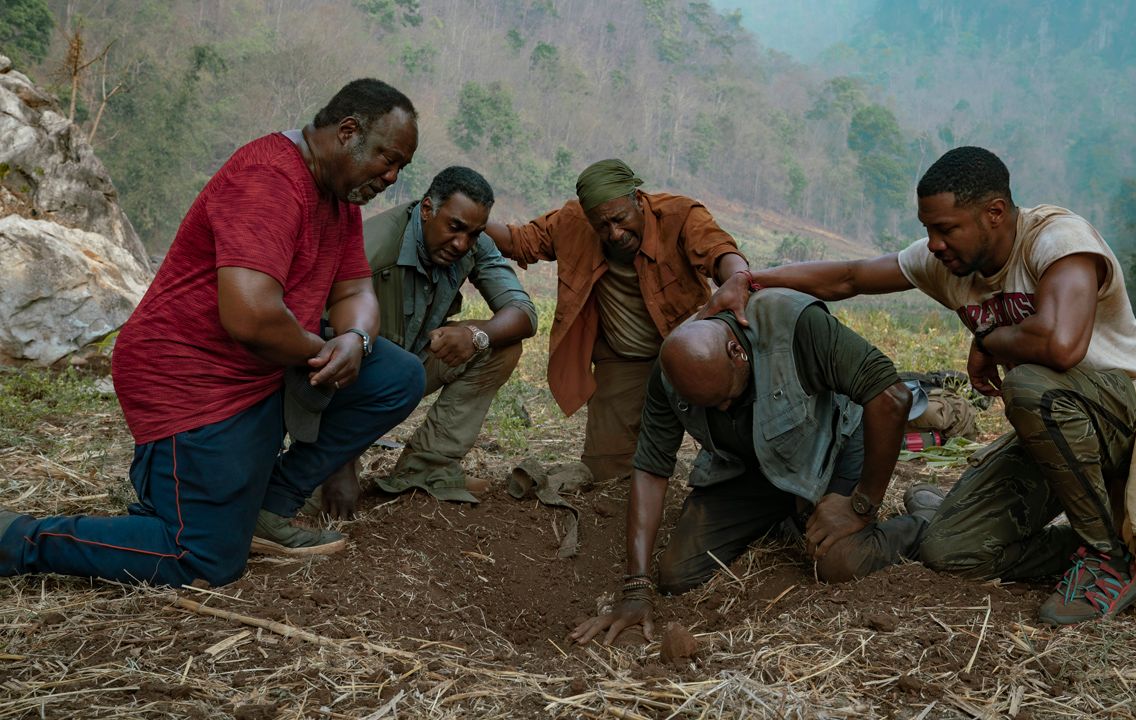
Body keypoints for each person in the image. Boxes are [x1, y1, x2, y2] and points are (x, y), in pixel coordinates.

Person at [701, 146, 1136, 625]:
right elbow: (850, 278)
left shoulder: (1058, 240)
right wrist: (751, 280)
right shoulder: (948, 263)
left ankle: (1108, 559)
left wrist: (989, 339)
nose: (934, 243)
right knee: (950, 551)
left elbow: (1062, 346)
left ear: (994, 213)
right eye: (928, 230)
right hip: (1055, 432)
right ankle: (1101, 546)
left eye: (946, 229)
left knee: (1030, 388)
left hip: (1132, 414)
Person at [0, 79, 426, 587]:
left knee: (397, 376)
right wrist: (320, 352)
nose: (392, 177)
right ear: (348, 132)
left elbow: (355, 290)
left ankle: (269, 506)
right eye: (387, 159)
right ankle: (17, 538)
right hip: (191, 376)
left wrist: (354, 340)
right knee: (202, 557)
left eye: (401, 167)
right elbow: (250, 317)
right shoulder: (270, 179)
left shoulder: (340, 198)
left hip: (265, 368)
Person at [570, 289, 944, 645]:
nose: (723, 410)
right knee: (678, 574)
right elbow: (652, 468)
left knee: (838, 562)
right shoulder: (671, 371)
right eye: (709, 407)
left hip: (834, 448)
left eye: (726, 398)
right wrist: (636, 589)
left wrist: (860, 505)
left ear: (736, 351)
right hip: (752, 466)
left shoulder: (795, 325)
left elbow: (892, 397)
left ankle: (924, 523)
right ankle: (791, 513)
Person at [486, 159, 749, 482]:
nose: (615, 233)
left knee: (733, 452)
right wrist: (473, 219)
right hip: (624, 359)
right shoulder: (573, 222)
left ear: (637, 199)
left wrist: (738, 278)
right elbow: (519, 241)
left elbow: (719, 251)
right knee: (605, 471)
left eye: (620, 219)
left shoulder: (679, 215)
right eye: (602, 226)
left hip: (690, 353)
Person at [313, 166, 537, 517]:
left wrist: (477, 335)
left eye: (474, 234)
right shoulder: (373, 250)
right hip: (350, 382)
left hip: (409, 368)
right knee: (311, 499)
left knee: (500, 345)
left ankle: (426, 468)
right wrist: (340, 463)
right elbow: (326, 356)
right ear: (428, 209)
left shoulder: (473, 246)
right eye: (454, 227)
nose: (462, 243)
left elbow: (523, 312)